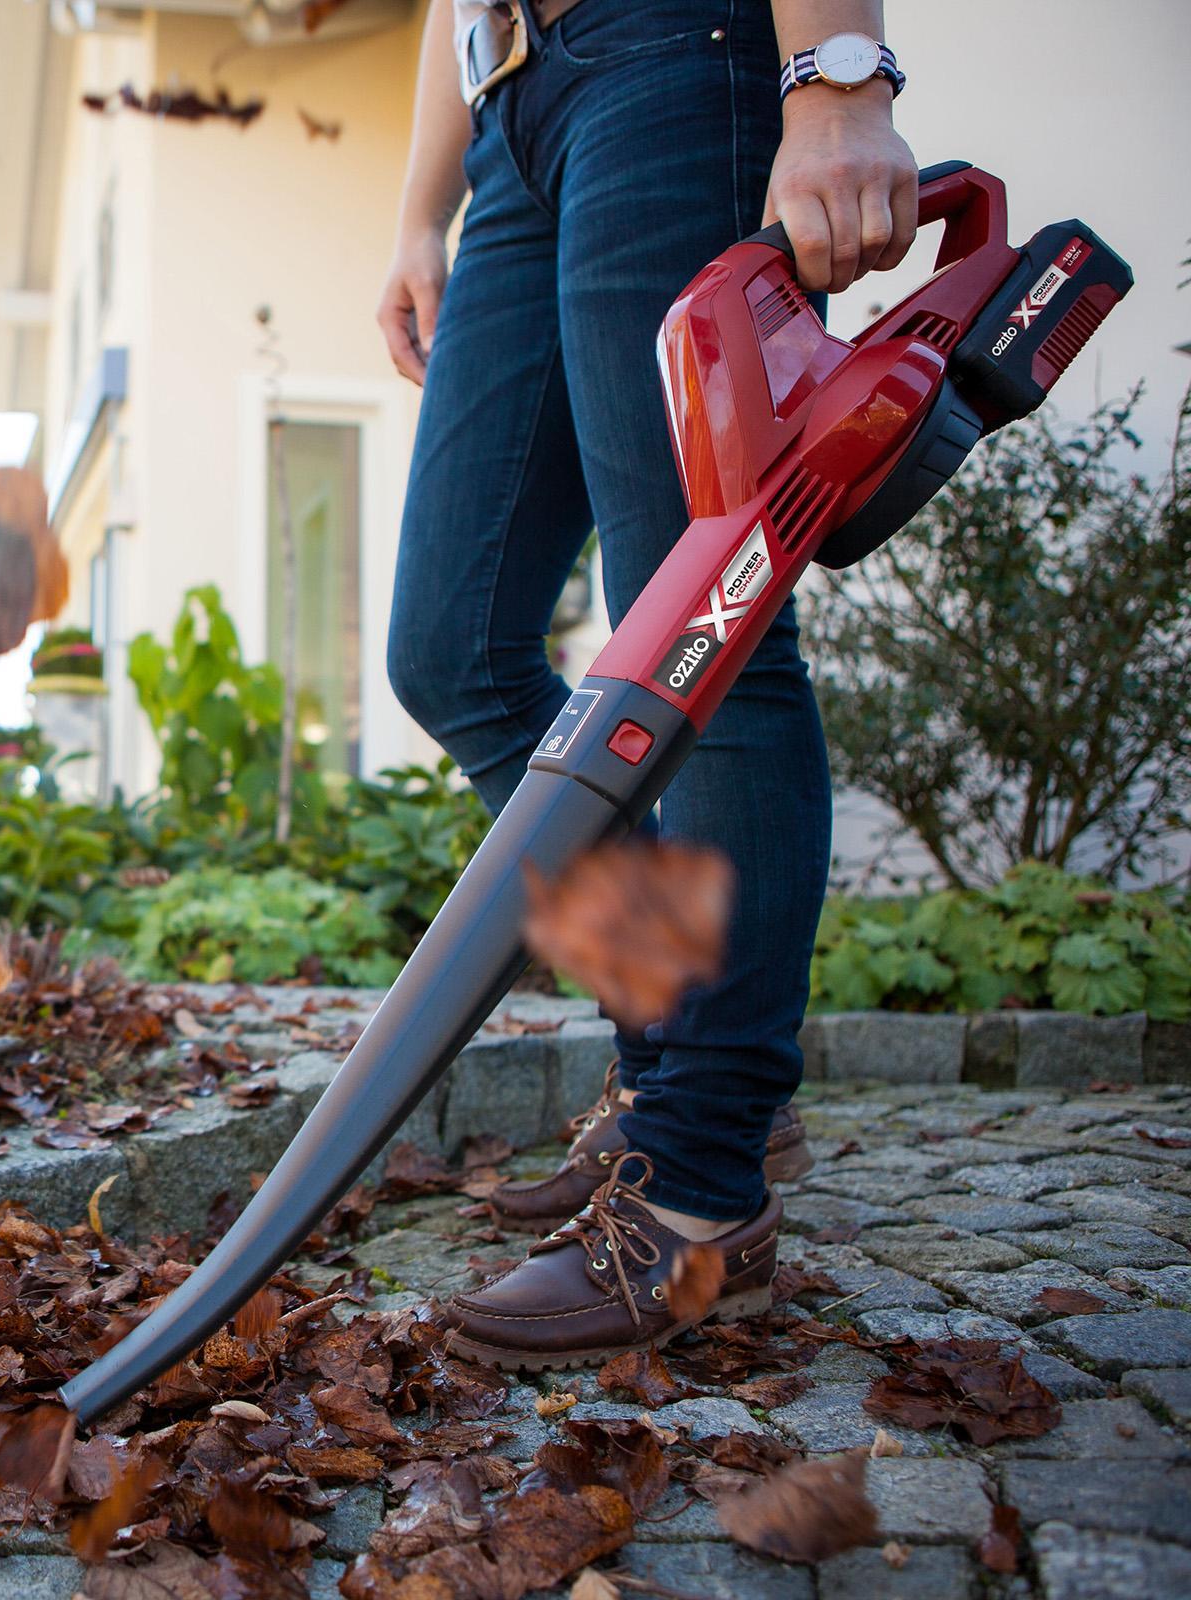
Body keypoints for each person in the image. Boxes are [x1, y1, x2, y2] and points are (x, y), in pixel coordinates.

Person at [378, 0, 917, 1368]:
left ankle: (699, 1184)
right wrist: (415, 214)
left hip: (681, 54)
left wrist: (835, 76)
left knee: (703, 632)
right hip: (510, 106)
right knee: (454, 651)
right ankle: (682, 1062)